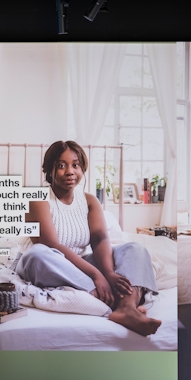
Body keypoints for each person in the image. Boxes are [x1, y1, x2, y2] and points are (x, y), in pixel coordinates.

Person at [14, 140, 162, 337]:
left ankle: (126, 309)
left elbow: (100, 239)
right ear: (49, 170)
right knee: (37, 254)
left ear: (82, 168)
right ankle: (120, 302)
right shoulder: (38, 199)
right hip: (50, 264)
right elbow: (52, 245)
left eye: (75, 165)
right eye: (61, 165)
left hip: (81, 264)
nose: (69, 171)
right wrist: (96, 275)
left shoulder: (90, 200)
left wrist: (108, 273)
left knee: (135, 249)